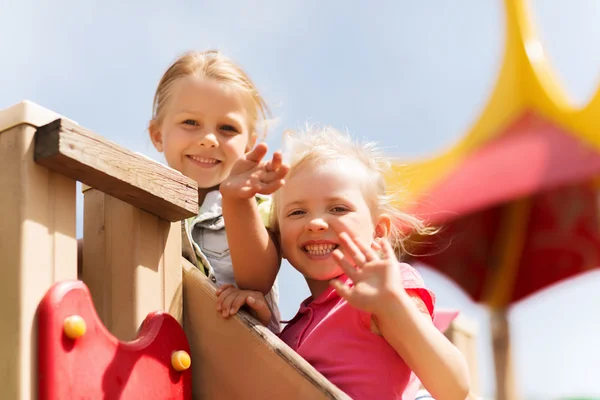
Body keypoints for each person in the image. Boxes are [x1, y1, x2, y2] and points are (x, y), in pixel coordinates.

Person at [216, 125, 471, 399]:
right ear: (279, 241)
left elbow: (453, 387)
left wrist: (394, 306)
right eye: (297, 212)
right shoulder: (294, 330)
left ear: (379, 230)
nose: (315, 223)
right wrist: (262, 326)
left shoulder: (382, 290)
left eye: (338, 208)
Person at [148, 50, 285, 334]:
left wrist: (238, 199)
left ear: (250, 144)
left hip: (236, 355)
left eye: (227, 128)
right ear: (158, 135)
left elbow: (257, 280)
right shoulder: (140, 202)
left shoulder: (257, 202)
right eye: (190, 123)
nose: (209, 139)